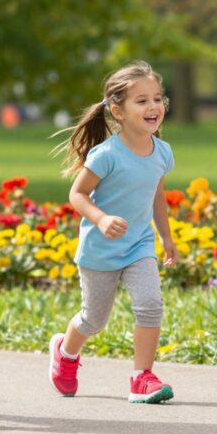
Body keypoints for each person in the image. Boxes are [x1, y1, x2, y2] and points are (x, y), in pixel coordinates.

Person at [48, 61, 178, 403]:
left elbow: (157, 195)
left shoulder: (162, 152)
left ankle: (141, 378)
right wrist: (101, 218)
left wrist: (166, 236)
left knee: (150, 305)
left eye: (158, 98)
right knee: (93, 320)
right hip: (100, 250)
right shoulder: (106, 154)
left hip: (139, 244)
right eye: (142, 101)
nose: (153, 107)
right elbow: (77, 194)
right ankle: (66, 352)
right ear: (118, 111)